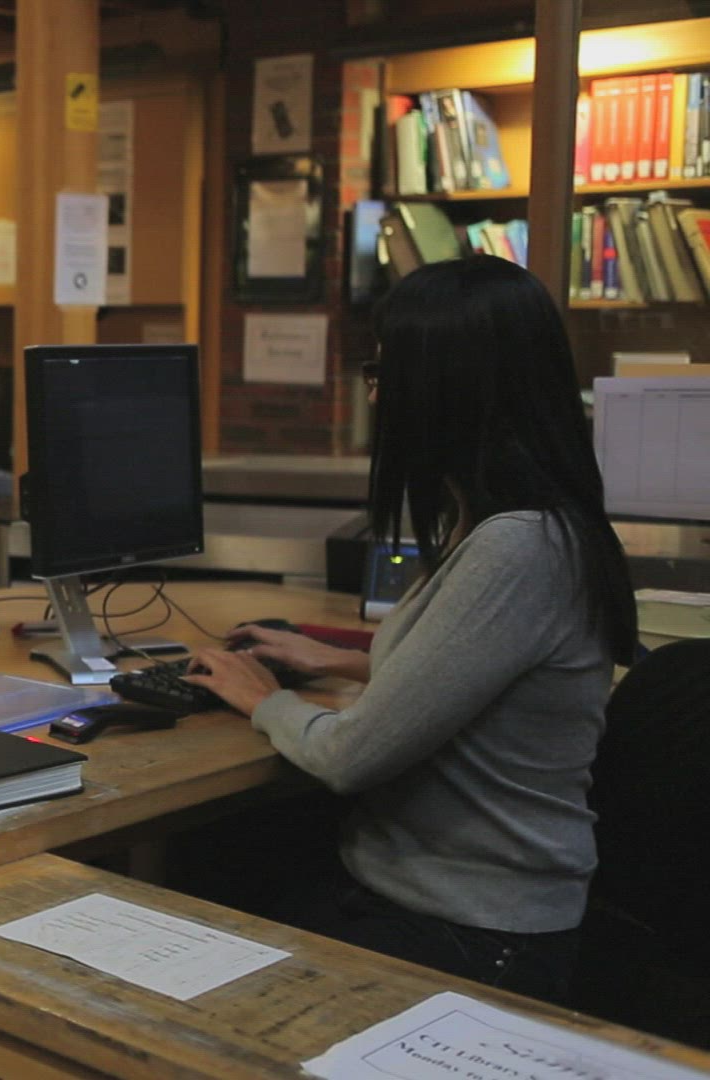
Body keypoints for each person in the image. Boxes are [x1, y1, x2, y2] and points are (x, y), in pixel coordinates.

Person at [182, 255, 637, 1002]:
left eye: (385, 371)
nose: (373, 392)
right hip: (427, 901)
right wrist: (335, 657)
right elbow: (482, 674)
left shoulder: (519, 546)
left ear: (448, 386)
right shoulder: (516, 523)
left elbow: (350, 758)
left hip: (473, 933)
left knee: (194, 927)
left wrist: (262, 696)